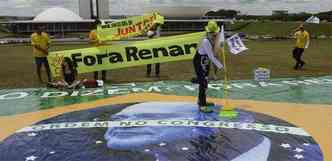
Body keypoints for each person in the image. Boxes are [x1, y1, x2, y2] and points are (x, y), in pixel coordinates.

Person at [192, 20, 224, 113]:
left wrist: (220, 45)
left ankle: (202, 101)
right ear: (209, 32)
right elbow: (212, 56)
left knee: (205, 81)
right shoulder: (206, 41)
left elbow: (213, 52)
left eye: (215, 34)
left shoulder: (211, 39)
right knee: (203, 82)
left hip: (205, 60)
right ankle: (202, 105)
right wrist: (221, 67)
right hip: (199, 61)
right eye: (214, 34)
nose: (215, 35)